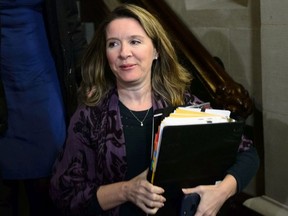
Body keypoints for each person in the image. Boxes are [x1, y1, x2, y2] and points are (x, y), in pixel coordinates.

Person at [49, 3, 259, 216]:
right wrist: (126, 190)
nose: (124, 53)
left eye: (135, 41)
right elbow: (64, 194)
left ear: (156, 50)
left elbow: (248, 153)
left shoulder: (185, 105)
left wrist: (221, 192)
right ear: (105, 54)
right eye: (113, 44)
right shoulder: (90, 116)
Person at [0, 0, 87, 215]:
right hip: (4, 80)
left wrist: (86, 75)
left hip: (43, 77)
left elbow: (70, 23)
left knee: (50, 177)